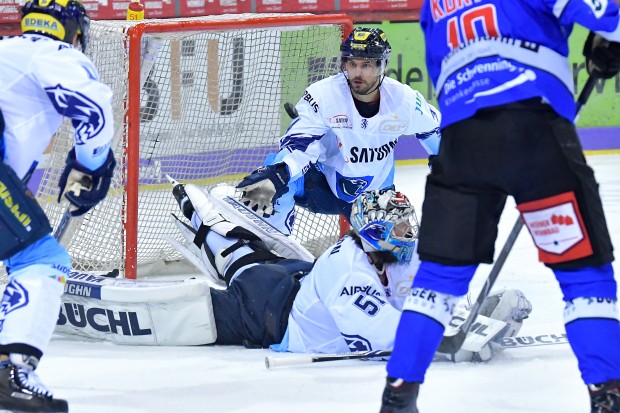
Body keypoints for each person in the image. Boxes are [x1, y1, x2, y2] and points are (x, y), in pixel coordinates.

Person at [378, 1, 620, 412]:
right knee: (583, 275)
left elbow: (445, 75)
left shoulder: (432, 6)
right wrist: (606, 46)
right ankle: (608, 396)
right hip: (535, 133)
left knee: (436, 281)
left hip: (463, 143)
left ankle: (398, 396)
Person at [159, 183, 531, 360]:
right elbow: (381, 336)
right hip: (270, 314)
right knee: (238, 263)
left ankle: (213, 223)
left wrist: (470, 314)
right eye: (400, 228)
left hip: (300, 277)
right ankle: (200, 217)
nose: (409, 234)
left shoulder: (393, 252)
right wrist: (449, 339)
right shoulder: (350, 274)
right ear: (377, 233)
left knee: (248, 257)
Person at [0, 0, 116, 411]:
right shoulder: (54, 54)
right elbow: (92, 108)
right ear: (74, 32)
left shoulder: (7, 50)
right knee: (40, 258)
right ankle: (11, 369)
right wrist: (92, 164)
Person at [235, 27, 442, 236]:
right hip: (322, 185)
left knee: (399, 244)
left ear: (383, 66)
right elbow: (299, 144)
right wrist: (280, 173)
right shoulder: (325, 94)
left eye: (366, 65)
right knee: (274, 175)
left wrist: (446, 163)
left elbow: (434, 131)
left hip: (374, 198)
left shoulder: (404, 101)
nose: (357, 73)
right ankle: (274, 246)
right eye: (352, 64)